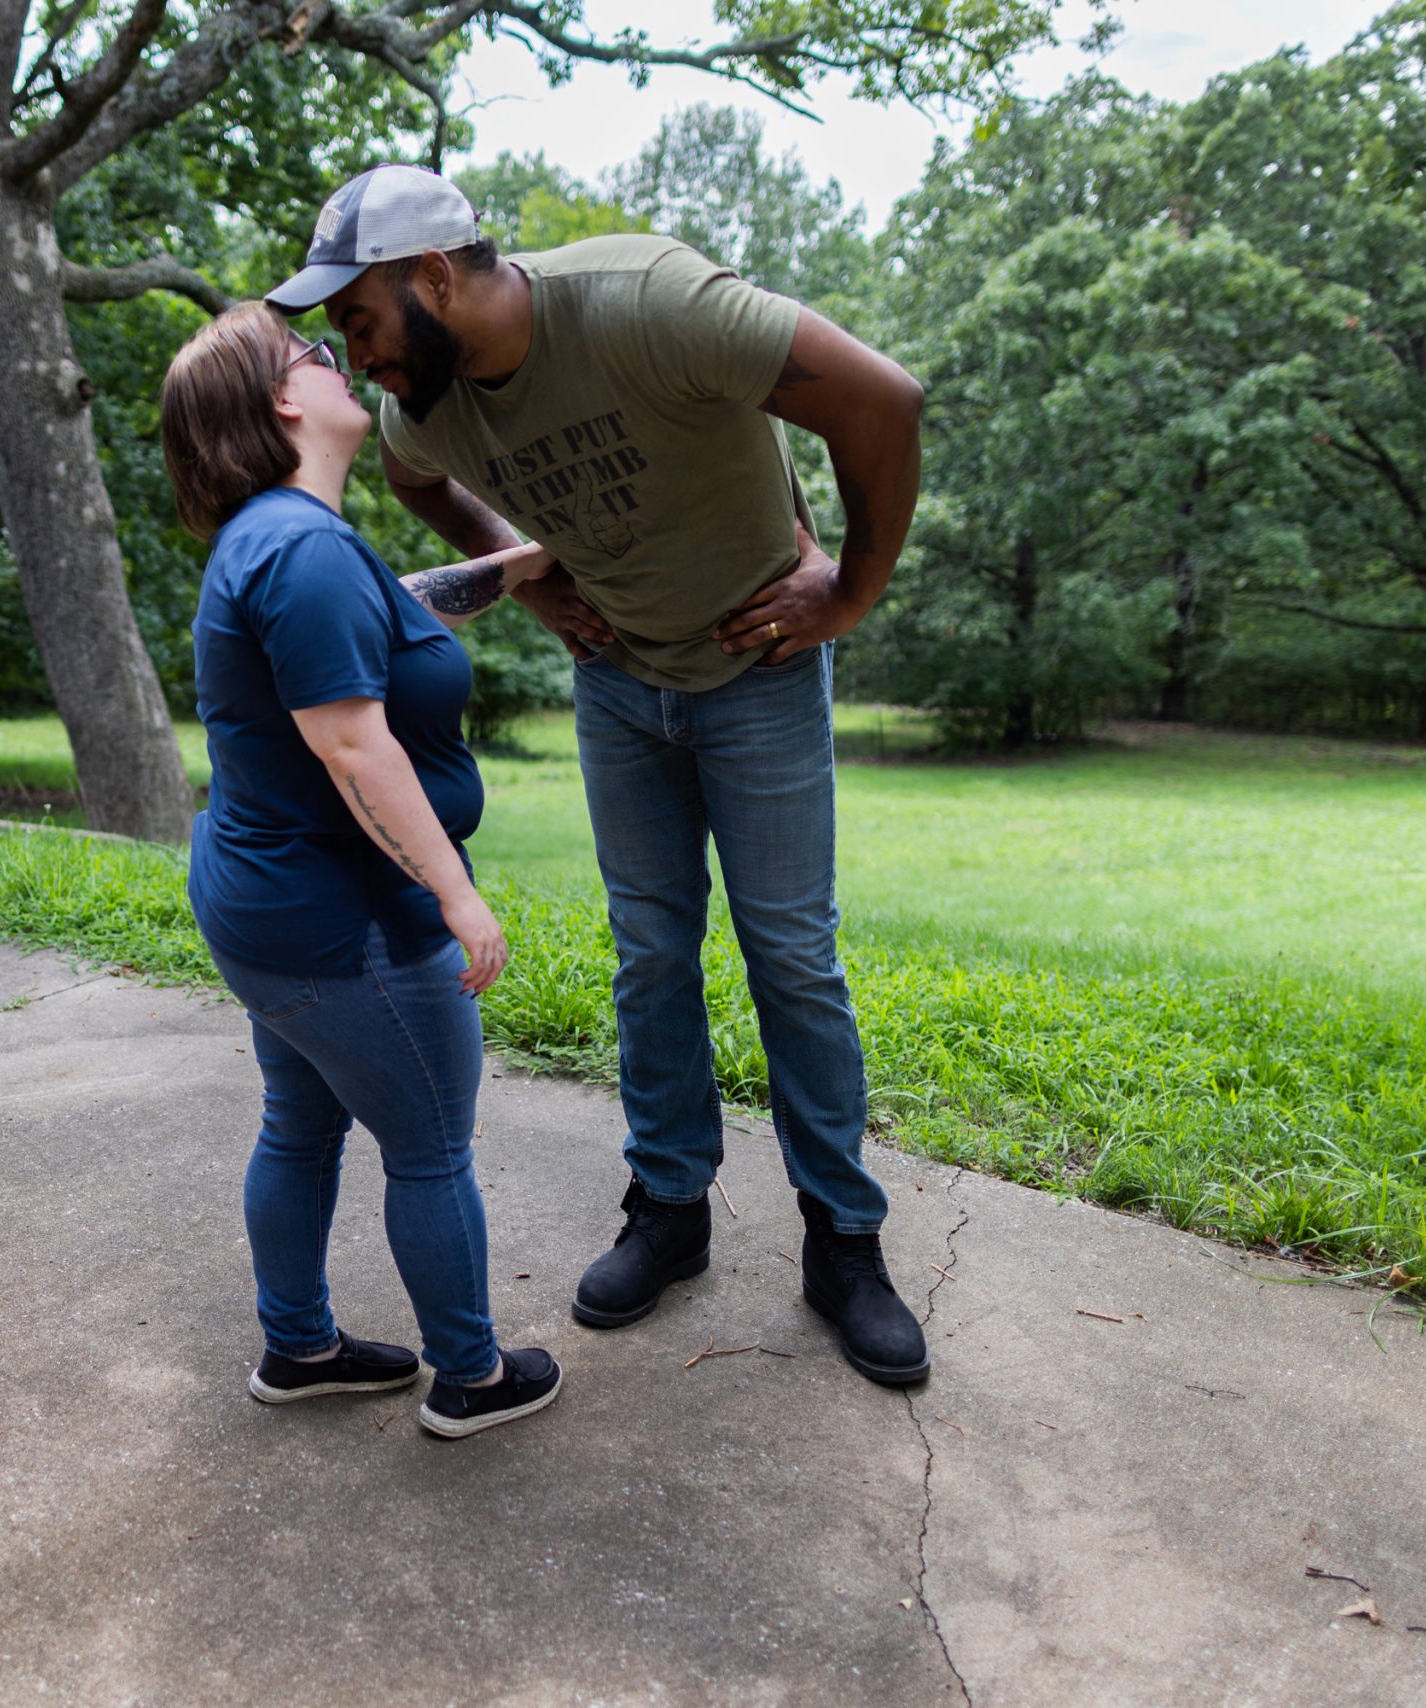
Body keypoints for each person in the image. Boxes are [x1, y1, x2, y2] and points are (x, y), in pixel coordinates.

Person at [265, 164, 932, 1387]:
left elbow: (882, 401)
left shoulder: (648, 301)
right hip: (620, 685)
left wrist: (851, 592)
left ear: (430, 277)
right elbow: (420, 480)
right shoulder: (427, 408)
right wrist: (539, 579)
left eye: (356, 320)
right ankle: (669, 1207)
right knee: (649, 949)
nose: (354, 360)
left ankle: (844, 1240)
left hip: (758, 670)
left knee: (789, 950)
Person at [158, 299, 564, 1438]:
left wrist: (515, 566)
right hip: (344, 924)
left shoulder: (279, 537)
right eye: (314, 356)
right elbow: (351, 743)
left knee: (299, 1120)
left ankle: (299, 1348)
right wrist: (457, 893)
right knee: (431, 1148)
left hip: (264, 906)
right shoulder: (300, 547)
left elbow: (384, 616)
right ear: (282, 401)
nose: (341, 366)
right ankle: (472, 1378)